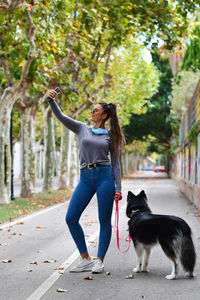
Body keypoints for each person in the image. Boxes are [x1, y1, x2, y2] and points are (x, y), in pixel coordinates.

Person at [47, 88, 125, 273]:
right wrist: (51, 101)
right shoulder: (82, 128)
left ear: (104, 115)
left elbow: (115, 164)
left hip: (105, 177)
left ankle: (99, 260)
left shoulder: (110, 136)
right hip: (85, 177)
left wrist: (118, 187)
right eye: (91, 109)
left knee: (104, 221)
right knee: (71, 217)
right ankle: (85, 259)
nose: (91, 112)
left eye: (95, 110)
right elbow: (62, 117)